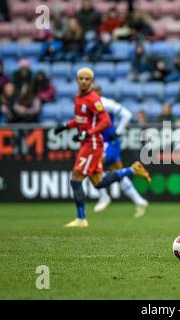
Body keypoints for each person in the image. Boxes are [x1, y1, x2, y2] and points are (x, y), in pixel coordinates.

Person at [53, 68, 151, 228]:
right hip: (89, 143)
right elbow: (81, 119)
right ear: (77, 80)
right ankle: (132, 171)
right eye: (81, 78)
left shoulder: (94, 100)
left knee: (76, 178)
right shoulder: (78, 97)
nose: (84, 81)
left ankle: (81, 218)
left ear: (92, 82)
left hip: (93, 144)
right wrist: (66, 125)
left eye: (87, 79)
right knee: (99, 182)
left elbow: (105, 121)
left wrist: (88, 133)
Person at [91, 84, 149, 217]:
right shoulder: (89, 106)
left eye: (95, 91)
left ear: (99, 92)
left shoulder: (105, 103)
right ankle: (139, 200)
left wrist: (118, 131)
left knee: (93, 165)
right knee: (118, 173)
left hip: (109, 142)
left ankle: (104, 197)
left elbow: (127, 114)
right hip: (103, 143)